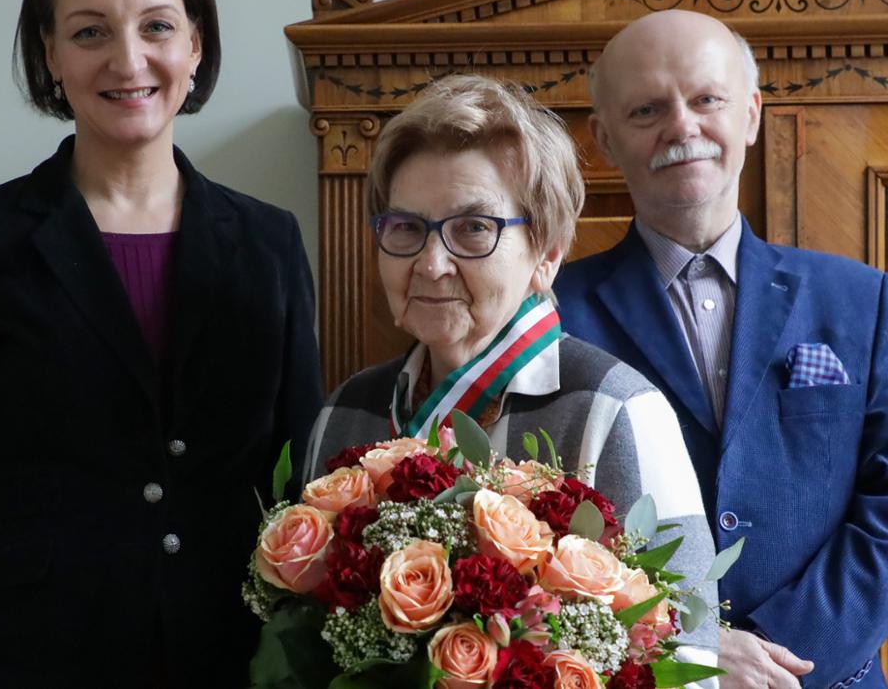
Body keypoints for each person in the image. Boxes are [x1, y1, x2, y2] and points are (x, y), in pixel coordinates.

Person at [0, 0, 322, 687]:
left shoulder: (268, 241)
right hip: (23, 657)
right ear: (48, 53)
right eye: (89, 32)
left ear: (195, 45)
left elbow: (302, 489)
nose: (129, 59)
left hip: (230, 655)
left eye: (157, 27)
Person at [555, 10, 888, 689]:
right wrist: (693, 650)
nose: (682, 126)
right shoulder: (556, 313)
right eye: (647, 108)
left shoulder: (858, 300)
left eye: (707, 99)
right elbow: (542, 525)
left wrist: (774, 653)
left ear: (751, 116)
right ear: (604, 140)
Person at [301, 74, 720, 676]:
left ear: (546, 254)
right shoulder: (345, 412)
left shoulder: (616, 410)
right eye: (406, 228)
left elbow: (691, 654)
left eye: (474, 228)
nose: (431, 262)